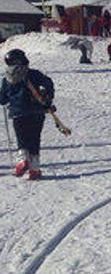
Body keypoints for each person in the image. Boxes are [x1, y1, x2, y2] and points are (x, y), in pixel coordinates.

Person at [0, 49, 54, 180]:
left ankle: (23, 160)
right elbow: (48, 83)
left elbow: (2, 99)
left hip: (18, 113)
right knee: (34, 139)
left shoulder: (7, 78)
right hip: (37, 111)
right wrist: (48, 97)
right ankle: (34, 169)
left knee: (22, 138)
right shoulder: (34, 74)